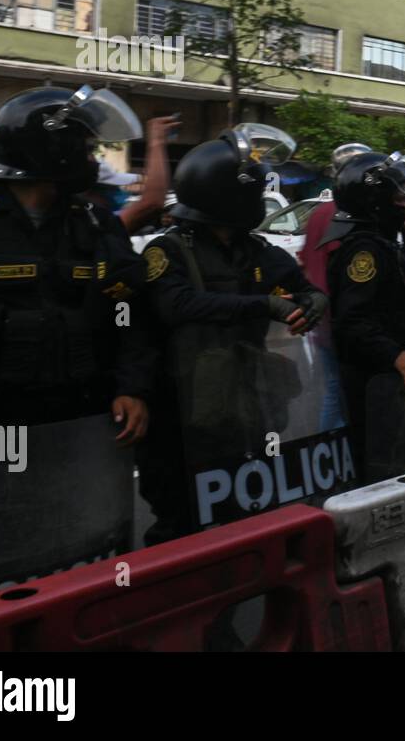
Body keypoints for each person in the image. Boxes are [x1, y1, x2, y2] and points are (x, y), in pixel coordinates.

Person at [0, 85, 152, 476]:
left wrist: (132, 386)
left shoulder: (98, 225)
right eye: (85, 147)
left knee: (86, 532)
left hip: (81, 419)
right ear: (52, 149)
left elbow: (128, 312)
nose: (93, 160)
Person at [138, 126, 326, 542]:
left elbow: (303, 287)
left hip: (245, 409)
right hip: (180, 418)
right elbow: (177, 305)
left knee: (244, 515)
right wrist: (264, 304)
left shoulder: (256, 250)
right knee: (180, 524)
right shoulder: (166, 251)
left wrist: (313, 302)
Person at [326, 151, 405, 477]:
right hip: (371, 380)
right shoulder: (365, 251)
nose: (404, 204)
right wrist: (397, 356)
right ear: (374, 201)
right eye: (396, 197)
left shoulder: (395, 247)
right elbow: (351, 321)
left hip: (398, 380)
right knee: (377, 464)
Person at [300, 143, 371, 433]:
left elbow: (306, 259)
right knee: (338, 391)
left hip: (321, 316)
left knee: (332, 385)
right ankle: (334, 450)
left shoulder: (319, 213)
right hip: (341, 319)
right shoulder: (346, 214)